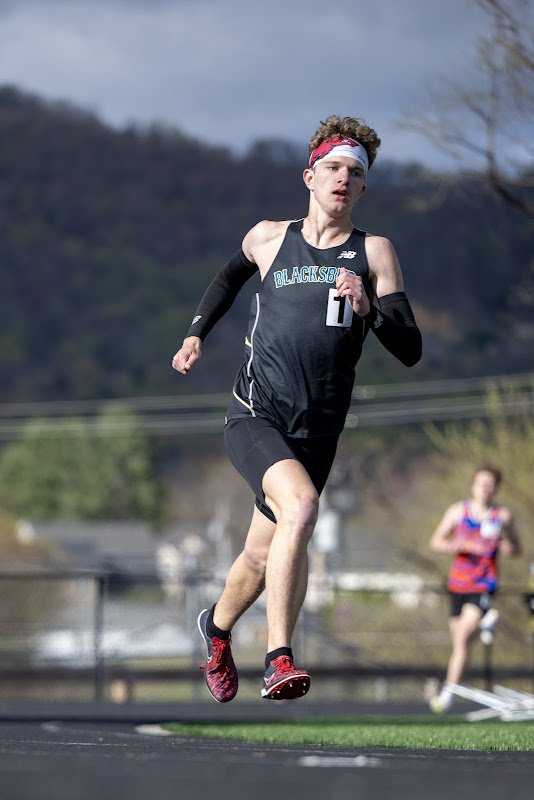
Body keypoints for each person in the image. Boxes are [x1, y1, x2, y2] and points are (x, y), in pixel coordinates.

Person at [172, 115, 422, 702]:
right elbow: (227, 280)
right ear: (310, 175)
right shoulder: (268, 237)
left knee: (261, 558)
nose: (343, 178)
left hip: (319, 430)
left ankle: (215, 627)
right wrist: (196, 335)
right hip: (256, 413)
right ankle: (280, 656)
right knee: (303, 509)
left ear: (363, 189)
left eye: (355, 172)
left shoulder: (375, 252)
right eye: (333, 167)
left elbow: (410, 350)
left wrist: (369, 308)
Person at [428, 464, 521, 713]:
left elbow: (515, 548)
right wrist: (459, 545)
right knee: (461, 645)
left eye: (490, 485)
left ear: (495, 489)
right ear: (473, 486)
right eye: (481, 483)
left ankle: (447, 695)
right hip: (457, 583)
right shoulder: (458, 511)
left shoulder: (502, 516)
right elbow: (436, 541)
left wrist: (507, 547)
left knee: (462, 636)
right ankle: (450, 691)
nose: (484, 489)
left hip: (483, 583)